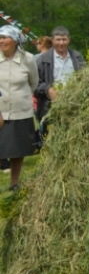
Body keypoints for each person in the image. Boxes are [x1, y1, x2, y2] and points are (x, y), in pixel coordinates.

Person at [0, 25, 39, 191]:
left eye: (4, 37)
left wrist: (20, 98)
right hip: (0, 111)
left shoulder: (28, 59)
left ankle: (14, 183)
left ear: (15, 40)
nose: (1, 41)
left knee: (18, 149)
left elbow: (33, 83)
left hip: (20, 111)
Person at [35, 26, 85, 123]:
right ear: (52, 40)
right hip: (50, 107)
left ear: (69, 40)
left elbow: (85, 77)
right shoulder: (43, 60)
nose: (61, 43)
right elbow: (35, 83)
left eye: (64, 39)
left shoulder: (77, 58)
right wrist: (48, 90)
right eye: (58, 40)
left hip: (75, 105)